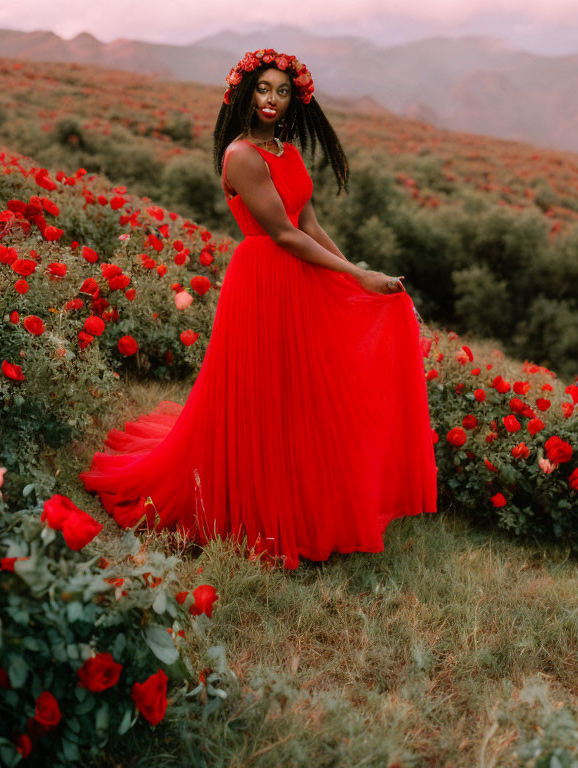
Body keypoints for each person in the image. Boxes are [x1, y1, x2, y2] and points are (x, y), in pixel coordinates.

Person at [79, 48, 438, 570]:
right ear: (245, 93)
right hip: (264, 281)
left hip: (300, 277)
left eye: (282, 91)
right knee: (260, 392)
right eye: (263, 89)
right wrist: (357, 275)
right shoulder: (241, 156)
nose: (272, 99)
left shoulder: (287, 152)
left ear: (296, 99)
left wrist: (355, 271)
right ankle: (253, 504)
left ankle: (294, 491)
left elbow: (310, 225)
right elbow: (283, 234)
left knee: (298, 391)